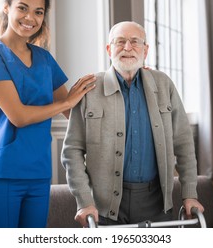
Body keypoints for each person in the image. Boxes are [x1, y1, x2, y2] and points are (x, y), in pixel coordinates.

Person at [0, 0, 96, 228]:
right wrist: (66, 102)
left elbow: (74, 112)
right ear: (7, 7)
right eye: (22, 8)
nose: (30, 18)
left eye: (38, 12)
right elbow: (19, 116)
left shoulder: (44, 59)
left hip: (38, 173)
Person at [61, 21, 204, 227]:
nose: (127, 48)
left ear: (146, 50)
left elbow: (183, 143)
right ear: (109, 49)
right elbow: (71, 151)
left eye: (135, 42)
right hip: (104, 206)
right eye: (120, 42)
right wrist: (84, 201)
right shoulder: (89, 88)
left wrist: (190, 193)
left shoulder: (163, 84)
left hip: (157, 203)